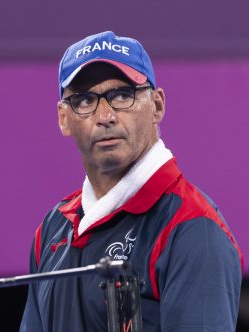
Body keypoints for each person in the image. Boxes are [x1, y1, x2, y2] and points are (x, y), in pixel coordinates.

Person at [20, 31, 243, 331]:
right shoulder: (52, 228)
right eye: (85, 100)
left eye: (122, 95)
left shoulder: (191, 229)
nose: (105, 116)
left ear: (157, 105)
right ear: (63, 118)